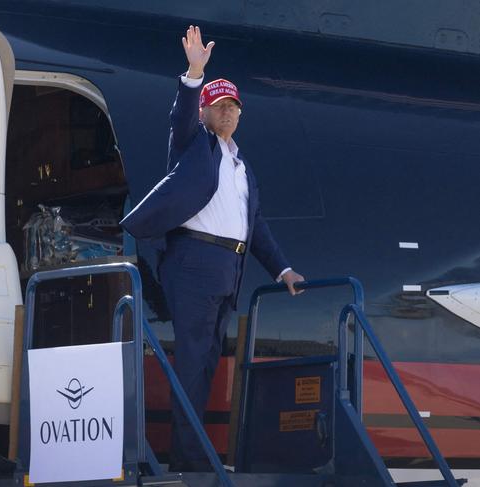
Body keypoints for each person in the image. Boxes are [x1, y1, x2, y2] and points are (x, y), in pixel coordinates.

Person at [121, 26, 305, 471]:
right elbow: (180, 118)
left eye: (233, 107)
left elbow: (254, 225)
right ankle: (188, 458)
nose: (227, 113)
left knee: (206, 365)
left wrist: (282, 270)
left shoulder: (242, 168)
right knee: (191, 362)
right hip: (194, 263)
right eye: (219, 106)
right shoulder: (193, 148)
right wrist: (194, 74)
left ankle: (194, 453)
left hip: (229, 269)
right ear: (205, 112)